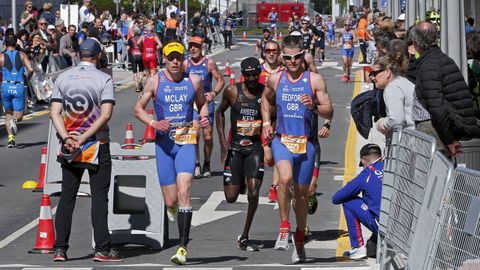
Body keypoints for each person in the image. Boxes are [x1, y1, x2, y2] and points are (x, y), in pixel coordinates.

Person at [134, 40, 210, 265]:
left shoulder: (194, 80)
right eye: (171, 58)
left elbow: (202, 103)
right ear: (164, 60)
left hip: (186, 142)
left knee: (185, 190)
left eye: (179, 57)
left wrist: (203, 116)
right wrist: (153, 122)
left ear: (183, 59)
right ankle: (172, 208)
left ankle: (182, 248)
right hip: (164, 146)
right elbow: (137, 109)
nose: (175, 61)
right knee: (171, 200)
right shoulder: (155, 81)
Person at [261, 35, 333, 263]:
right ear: (283, 57)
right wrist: (265, 123)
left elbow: (329, 111)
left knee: (301, 196)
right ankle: (284, 226)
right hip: (282, 140)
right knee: (284, 178)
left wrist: (313, 107)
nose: (292, 62)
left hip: (306, 143)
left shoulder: (315, 80)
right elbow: (265, 100)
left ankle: (299, 238)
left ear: (303, 56)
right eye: (288, 58)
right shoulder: (275, 79)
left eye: (297, 57)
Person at [50, 38, 122, 262]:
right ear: (99, 55)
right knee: (99, 197)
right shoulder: (104, 78)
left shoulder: (63, 77)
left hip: (69, 146)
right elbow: (106, 114)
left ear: (79, 54)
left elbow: (54, 113)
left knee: (67, 197)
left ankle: (60, 249)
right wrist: (83, 138)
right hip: (96, 144)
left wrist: (67, 138)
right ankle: (102, 249)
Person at [216, 57, 265, 252]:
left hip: (255, 148)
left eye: (255, 74)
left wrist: (269, 139)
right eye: (248, 75)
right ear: (243, 75)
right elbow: (219, 112)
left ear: (259, 73)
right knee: (231, 197)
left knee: (254, 193)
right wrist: (222, 142)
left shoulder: (266, 92)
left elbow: (275, 116)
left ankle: (244, 235)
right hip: (235, 149)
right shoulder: (232, 91)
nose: (252, 78)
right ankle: (241, 179)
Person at [411, 21, 480, 157]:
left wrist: (448, 140)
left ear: (415, 43)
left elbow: (436, 108)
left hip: (432, 129)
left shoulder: (429, 66)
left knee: (434, 172)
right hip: (443, 128)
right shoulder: (443, 60)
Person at [332, 143, 384, 259]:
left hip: (381, 225)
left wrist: (353, 187)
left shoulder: (367, 173)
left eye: (362, 164)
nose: (363, 166)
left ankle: (357, 246)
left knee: (348, 202)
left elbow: (336, 198)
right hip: (401, 223)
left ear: (364, 159)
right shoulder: (391, 167)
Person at [183, 35, 225, 178]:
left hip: (206, 103)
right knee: (195, 134)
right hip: (192, 103)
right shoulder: (185, 64)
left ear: (202, 48)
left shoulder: (209, 63)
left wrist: (214, 92)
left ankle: (207, 162)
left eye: (196, 46)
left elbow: (220, 80)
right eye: (191, 46)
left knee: (207, 136)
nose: (193, 49)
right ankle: (196, 164)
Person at [258, 40, 284, 203]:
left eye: (274, 51)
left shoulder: (286, 71)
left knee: (278, 153)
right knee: (267, 158)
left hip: (280, 118)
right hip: (262, 118)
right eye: (268, 50)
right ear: (264, 53)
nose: (271, 53)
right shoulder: (258, 70)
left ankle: (274, 187)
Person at [1, 35, 35, 148]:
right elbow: (31, 69)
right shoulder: (22, 55)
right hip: (18, 86)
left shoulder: (1, 57)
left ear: (4, 45)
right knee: (19, 116)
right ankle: (14, 121)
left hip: (6, 86)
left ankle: (11, 139)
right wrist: (27, 78)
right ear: (16, 44)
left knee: (8, 114)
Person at [371, 54, 414, 135]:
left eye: (375, 73)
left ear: (387, 72)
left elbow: (396, 120)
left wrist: (381, 123)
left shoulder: (392, 88)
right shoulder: (402, 81)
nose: (373, 77)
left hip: (408, 140)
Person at [127, 26, 144, 92]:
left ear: (133, 31)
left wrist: (130, 52)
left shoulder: (130, 39)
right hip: (140, 55)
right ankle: (140, 81)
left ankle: (136, 85)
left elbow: (128, 48)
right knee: (141, 69)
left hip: (133, 55)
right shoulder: (141, 38)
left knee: (134, 71)